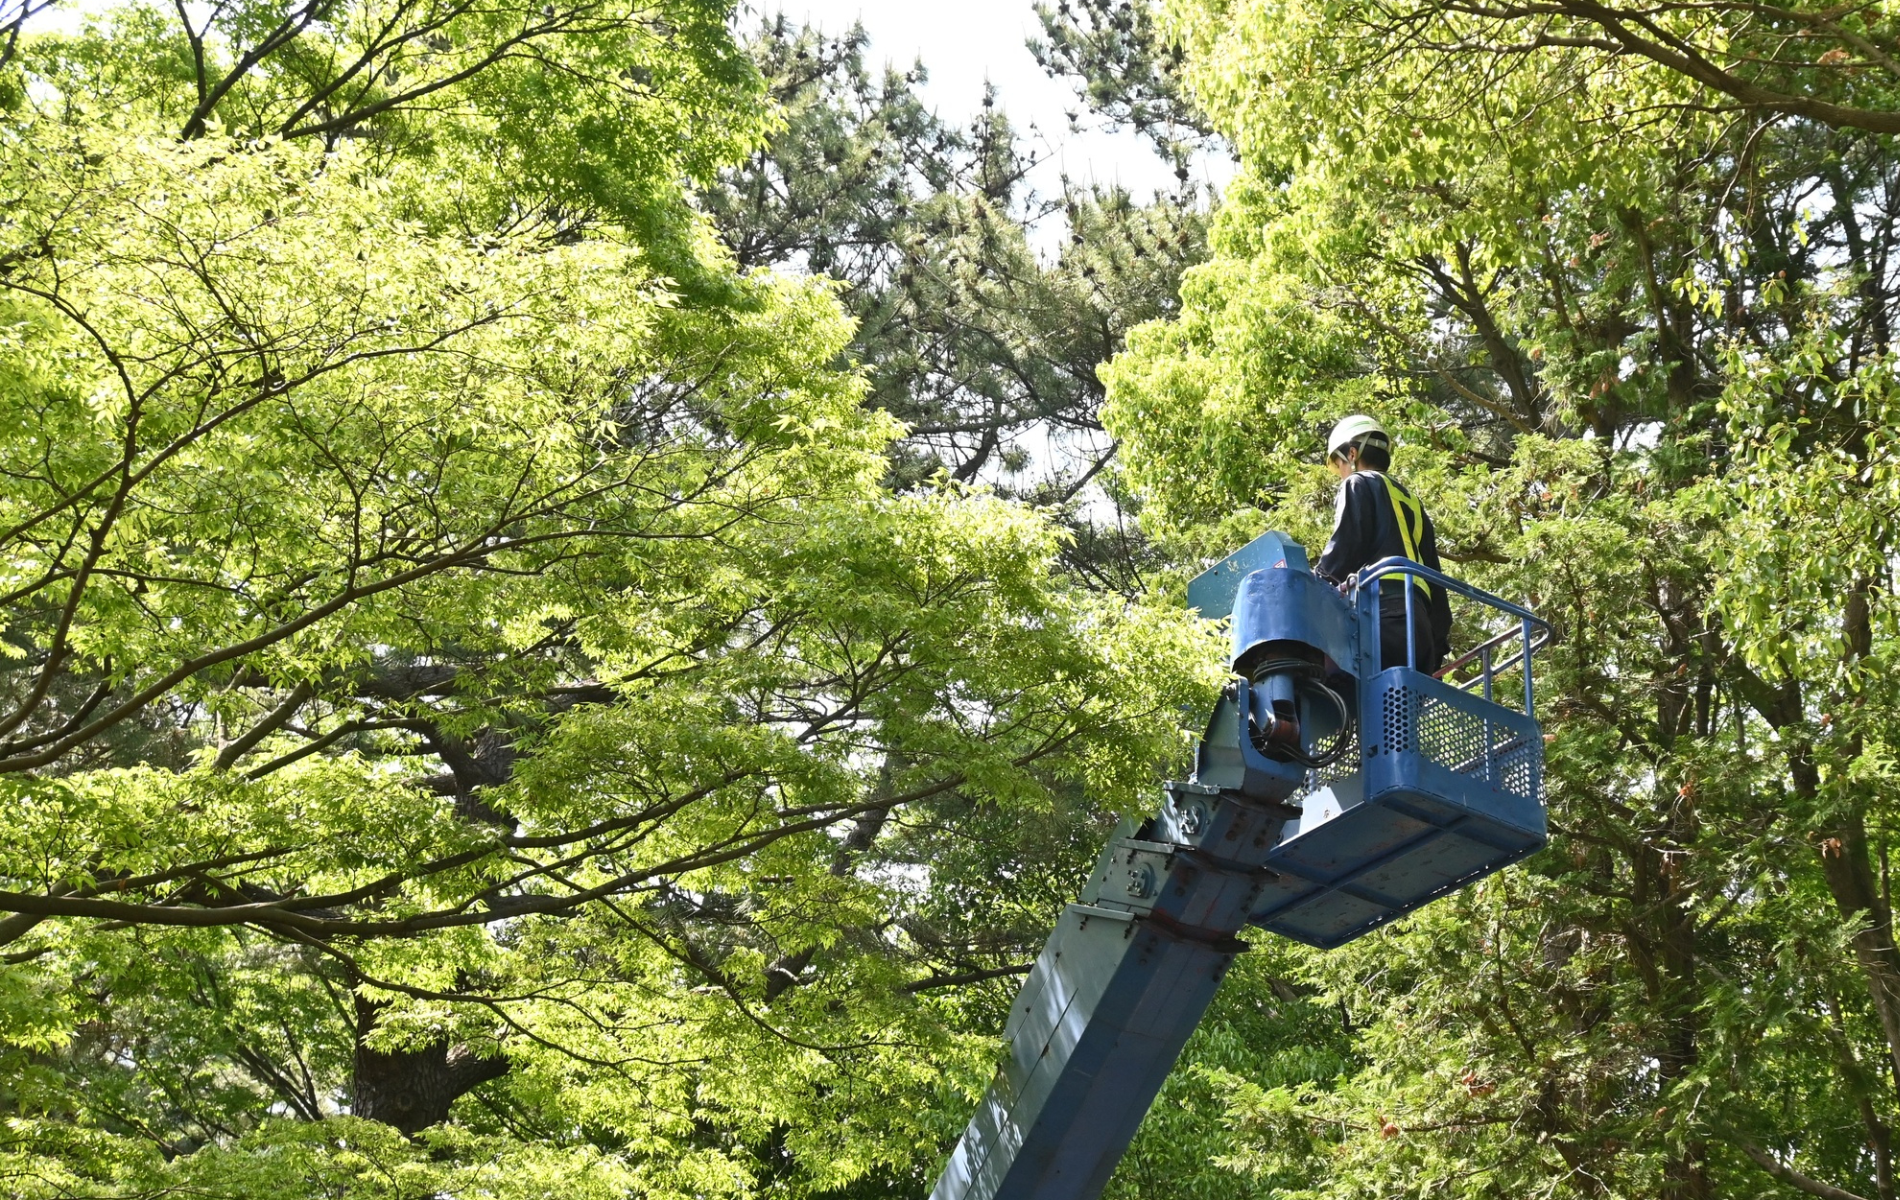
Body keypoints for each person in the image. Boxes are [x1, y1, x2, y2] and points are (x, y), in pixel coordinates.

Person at [1313, 415, 1452, 673]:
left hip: (1383, 617)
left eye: (1339, 465)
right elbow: (1435, 578)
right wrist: (1437, 642)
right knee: (1400, 710)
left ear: (1352, 454)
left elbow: (1346, 546)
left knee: (1333, 689)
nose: (1341, 474)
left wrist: (1315, 582)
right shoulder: (1413, 503)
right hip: (1420, 627)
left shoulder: (1358, 482)